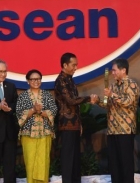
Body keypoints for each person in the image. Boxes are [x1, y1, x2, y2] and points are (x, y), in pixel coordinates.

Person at [54, 52, 97, 183]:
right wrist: (89, 98)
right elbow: (71, 101)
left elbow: (75, 106)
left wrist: (80, 123)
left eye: (76, 65)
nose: (76, 67)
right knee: (68, 158)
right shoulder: (60, 81)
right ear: (65, 65)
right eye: (73, 65)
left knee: (75, 158)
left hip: (74, 124)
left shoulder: (70, 80)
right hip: (66, 125)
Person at [94, 58, 140, 183]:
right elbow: (107, 104)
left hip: (125, 130)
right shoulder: (113, 86)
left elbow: (129, 102)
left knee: (126, 163)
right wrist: (98, 100)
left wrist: (112, 95)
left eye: (114, 70)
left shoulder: (131, 84)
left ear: (123, 70)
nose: (112, 73)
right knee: (114, 163)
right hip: (113, 130)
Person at [16, 69, 57, 183]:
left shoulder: (47, 95)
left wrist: (40, 112)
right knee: (30, 162)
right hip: (28, 134)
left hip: (45, 133)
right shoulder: (23, 96)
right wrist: (33, 110)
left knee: (43, 162)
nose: (36, 81)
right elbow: (19, 114)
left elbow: (53, 111)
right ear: (28, 81)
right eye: (33, 79)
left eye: (38, 79)